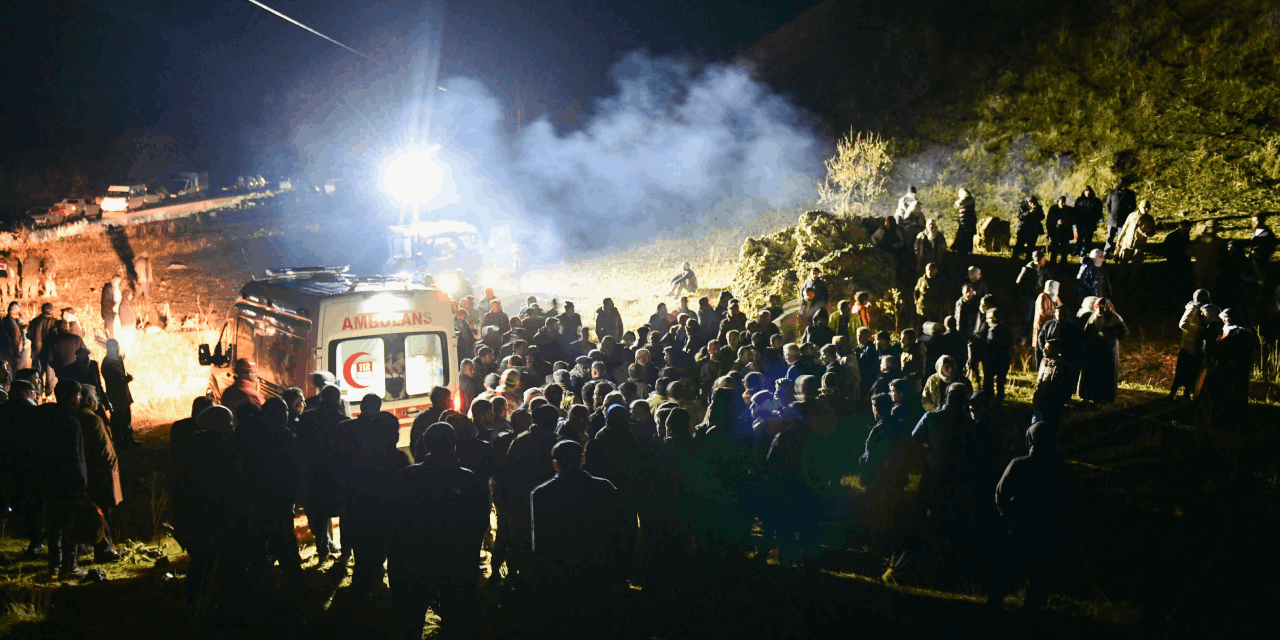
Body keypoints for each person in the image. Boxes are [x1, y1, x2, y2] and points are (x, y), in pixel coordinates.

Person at [389, 423, 489, 639]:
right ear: (454, 445)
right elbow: (478, 522)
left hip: (416, 559)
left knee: (412, 619)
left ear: (426, 445)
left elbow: (397, 519)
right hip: (456, 560)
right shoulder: (467, 478)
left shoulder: (410, 476)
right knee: (455, 618)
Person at [987, 423, 1079, 611]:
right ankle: (1029, 620)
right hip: (1047, 530)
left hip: (1019, 526)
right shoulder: (1063, 471)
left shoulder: (1019, 464)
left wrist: (1006, 515)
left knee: (1006, 571)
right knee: (1039, 577)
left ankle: (991, 612)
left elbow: (1000, 493)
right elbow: (1070, 502)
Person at [39, 380, 88, 579]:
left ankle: (54, 566)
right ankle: (70, 566)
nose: (80, 399)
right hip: (68, 482)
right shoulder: (71, 422)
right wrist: (81, 482)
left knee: (53, 524)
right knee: (70, 524)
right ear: (71, 397)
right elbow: (74, 456)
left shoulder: (45, 418)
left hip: (48, 479)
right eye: (78, 396)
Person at [1078, 298, 1128, 405]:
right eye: (1098, 305)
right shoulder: (1093, 317)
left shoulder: (1115, 318)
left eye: (1103, 306)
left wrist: (1110, 333)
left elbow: (1124, 333)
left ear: (1108, 307)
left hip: (1108, 351)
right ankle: (1089, 395)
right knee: (1092, 372)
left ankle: (1106, 397)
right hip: (1094, 349)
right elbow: (1086, 332)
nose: (1100, 308)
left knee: (1106, 373)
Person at [1171, 290, 1212, 400]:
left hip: (1198, 348)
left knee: (1193, 373)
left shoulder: (1204, 309)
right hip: (1188, 348)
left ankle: (1187, 394)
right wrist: (1198, 331)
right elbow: (1183, 324)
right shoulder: (1193, 308)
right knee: (1181, 373)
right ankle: (1173, 393)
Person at [101, 339, 139, 447]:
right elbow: (112, 379)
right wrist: (125, 379)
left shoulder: (117, 359)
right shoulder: (107, 362)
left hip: (123, 391)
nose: (117, 349)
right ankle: (119, 440)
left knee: (126, 415)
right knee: (118, 417)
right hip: (115, 393)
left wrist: (127, 376)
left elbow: (123, 372)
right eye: (115, 347)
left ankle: (128, 438)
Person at [1115, 199, 1156, 283]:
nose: (1146, 209)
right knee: (1123, 262)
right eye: (1144, 207)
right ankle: (1121, 280)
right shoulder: (1132, 215)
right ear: (1140, 207)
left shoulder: (1150, 219)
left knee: (1136, 265)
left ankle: (1133, 282)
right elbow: (1125, 226)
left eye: (1148, 208)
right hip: (1127, 242)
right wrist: (1119, 239)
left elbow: (1153, 232)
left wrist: (1145, 232)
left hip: (1139, 244)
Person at [982, 307, 1014, 401]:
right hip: (1004, 360)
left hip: (992, 361)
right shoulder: (1007, 329)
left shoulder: (992, 330)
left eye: (988, 318)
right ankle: (999, 403)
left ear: (994, 319)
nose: (987, 321)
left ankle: (988, 401)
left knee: (988, 382)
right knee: (1001, 384)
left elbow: (990, 346)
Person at [27, 303, 58, 397]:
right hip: (50, 353)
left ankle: (37, 395)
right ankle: (49, 395)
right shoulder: (55, 322)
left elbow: (29, 335)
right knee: (50, 376)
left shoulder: (35, 321)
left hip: (37, 352)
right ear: (52, 310)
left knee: (37, 375)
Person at [1103, 177, 1137, 256]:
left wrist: (1128, 214)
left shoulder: (1130, 194)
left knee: (1120, 238)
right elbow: (1107, 204)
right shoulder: (1112, 193)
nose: (1124, 186)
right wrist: (1110, 213)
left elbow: (1133, 206)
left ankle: (1117, 252)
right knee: (1109, 237)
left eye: (1125, 184)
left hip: (1123, 220)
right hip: (1112, 220)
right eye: (1123, 184)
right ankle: (1106, 251)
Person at [1032, 281, 1062, 366]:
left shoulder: (1054, 297)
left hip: (1051, 327)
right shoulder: (1042, 296)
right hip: (1042, 325)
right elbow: (1043, 311)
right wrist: (1055, 312)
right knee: (1040, 345)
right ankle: (1038, 367)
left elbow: (1061, 307)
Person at [1072, 186, 1103, 256]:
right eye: (1086, 191)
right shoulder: (1079, 200)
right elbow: (1075, 211)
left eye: (1089, 191)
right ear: (1084, 192)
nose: (1088, 192)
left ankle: (1085, 251)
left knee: (1088, 238)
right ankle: (1077, 250)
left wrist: (1096, 220)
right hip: (1081, 223)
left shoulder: (1096, 201)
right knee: (1080, 238)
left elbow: (1099, 212)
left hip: (1090, 223)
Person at [1013, 196, 1045, 262]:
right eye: (1031, 202)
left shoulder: (1038, 207)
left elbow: (1042, 216)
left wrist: (1036, 212)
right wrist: (1029, 212)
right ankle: (1014, 258)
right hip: (1024, 229)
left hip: (1033, 229)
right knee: (1019, 244)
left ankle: (1028, 260)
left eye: (1034, 202)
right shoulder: (1023, 207)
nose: (1032, 203)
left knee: (1031, 245)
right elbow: (1020, 216)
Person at [1045, 195, 1075, 264]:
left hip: (1065, 232)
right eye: (1061, 202)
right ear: (1058, 202)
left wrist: (1065, 221)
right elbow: (1049, 221)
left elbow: (1073, 220)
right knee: (1054, 249)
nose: (1063, 204)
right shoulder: (1053, 209)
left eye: (1064, 202)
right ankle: (1053, 263)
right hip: (1055, 232)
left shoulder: (1068, 209)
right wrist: (1056, 223)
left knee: (1064, 249)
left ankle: (1063, 264)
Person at [0, 302, 23, 377]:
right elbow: (15, 341)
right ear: (16, 312)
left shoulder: (5, 320)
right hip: (12, 355)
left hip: (5, 354)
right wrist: (17, 355)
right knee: (14, 376)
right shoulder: (13, 325)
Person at [952, 187, 977, 255]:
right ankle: (961, 249)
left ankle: (967, 250)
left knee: (968, 236)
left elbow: (959, 204)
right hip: (964, 221)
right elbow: (956, 205)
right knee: (963, 235)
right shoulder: (967, 200)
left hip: (969, 222)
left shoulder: (969, 200)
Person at [102, 275, 122, 339]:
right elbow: (107, 301)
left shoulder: (115, 288)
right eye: (116, 281)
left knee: (113, 329)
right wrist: (115, 304)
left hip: (113, 311)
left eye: (119, 282)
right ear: (112, 280)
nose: (118, 283)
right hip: (109, 312)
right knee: (110, 330)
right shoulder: (108, 289)